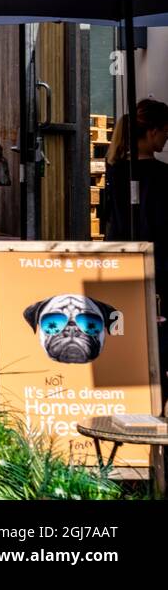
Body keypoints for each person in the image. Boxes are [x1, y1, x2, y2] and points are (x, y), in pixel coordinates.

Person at [102, 99, 168, 397]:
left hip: (120, 257)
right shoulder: (160, 175)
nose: (166, 139)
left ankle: (129, 384)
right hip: (158, 262)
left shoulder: (116, 170)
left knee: (123, 325)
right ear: (152, 131)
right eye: (165, 131)